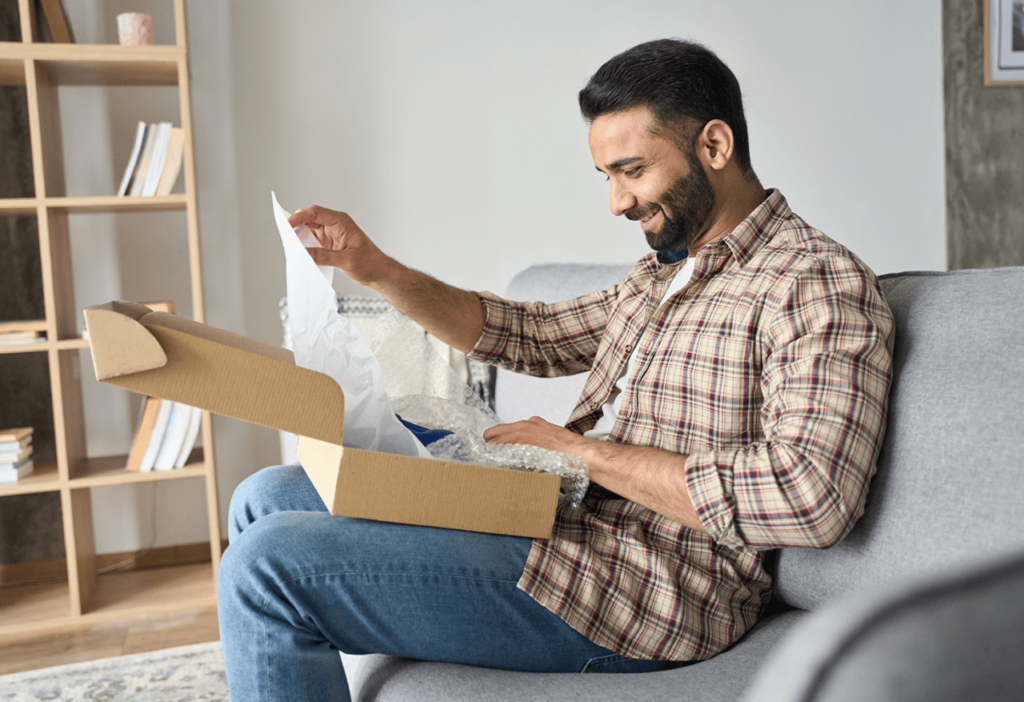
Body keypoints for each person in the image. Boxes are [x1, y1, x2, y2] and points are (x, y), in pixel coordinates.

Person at [218, 39, 895, 701]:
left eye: (632, 170)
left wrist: (584, 455)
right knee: (266, 496)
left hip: (653, 592)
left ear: (715, 147)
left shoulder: (813, 282)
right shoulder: (661, 275)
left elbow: (812, 497)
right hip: (565, 527)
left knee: (265, 566)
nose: (617, 203)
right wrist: (376, 269)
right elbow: (531, 335)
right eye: (607, 177)